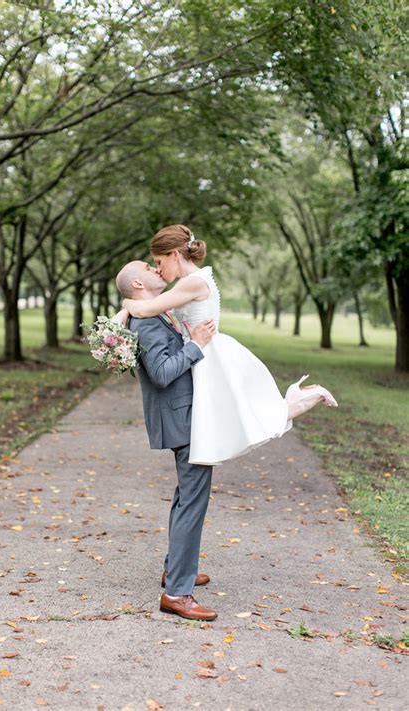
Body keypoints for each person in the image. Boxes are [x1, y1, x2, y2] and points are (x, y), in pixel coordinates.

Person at [120, 223, 338, 467]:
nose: (159, 270)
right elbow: (157, 309)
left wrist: (125, 305)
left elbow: (147, 308)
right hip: (200, 350)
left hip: (207, 353)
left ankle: (302, 398)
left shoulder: (192, 283)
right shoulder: (191, 282)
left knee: (232, 421)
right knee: (229, 419)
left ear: (173, 255)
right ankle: (297, 399)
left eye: (159, 262)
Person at [115, 260, 219, 621]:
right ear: (138, 284)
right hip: (184, 419)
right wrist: (197, 345)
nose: (154, 267)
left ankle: (175, 570)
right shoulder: (146, 323)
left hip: (185, 415)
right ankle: (177, 593)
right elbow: (161, 374)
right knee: (192, 501)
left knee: (185, 497)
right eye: (148, 266)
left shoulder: (152, 314)